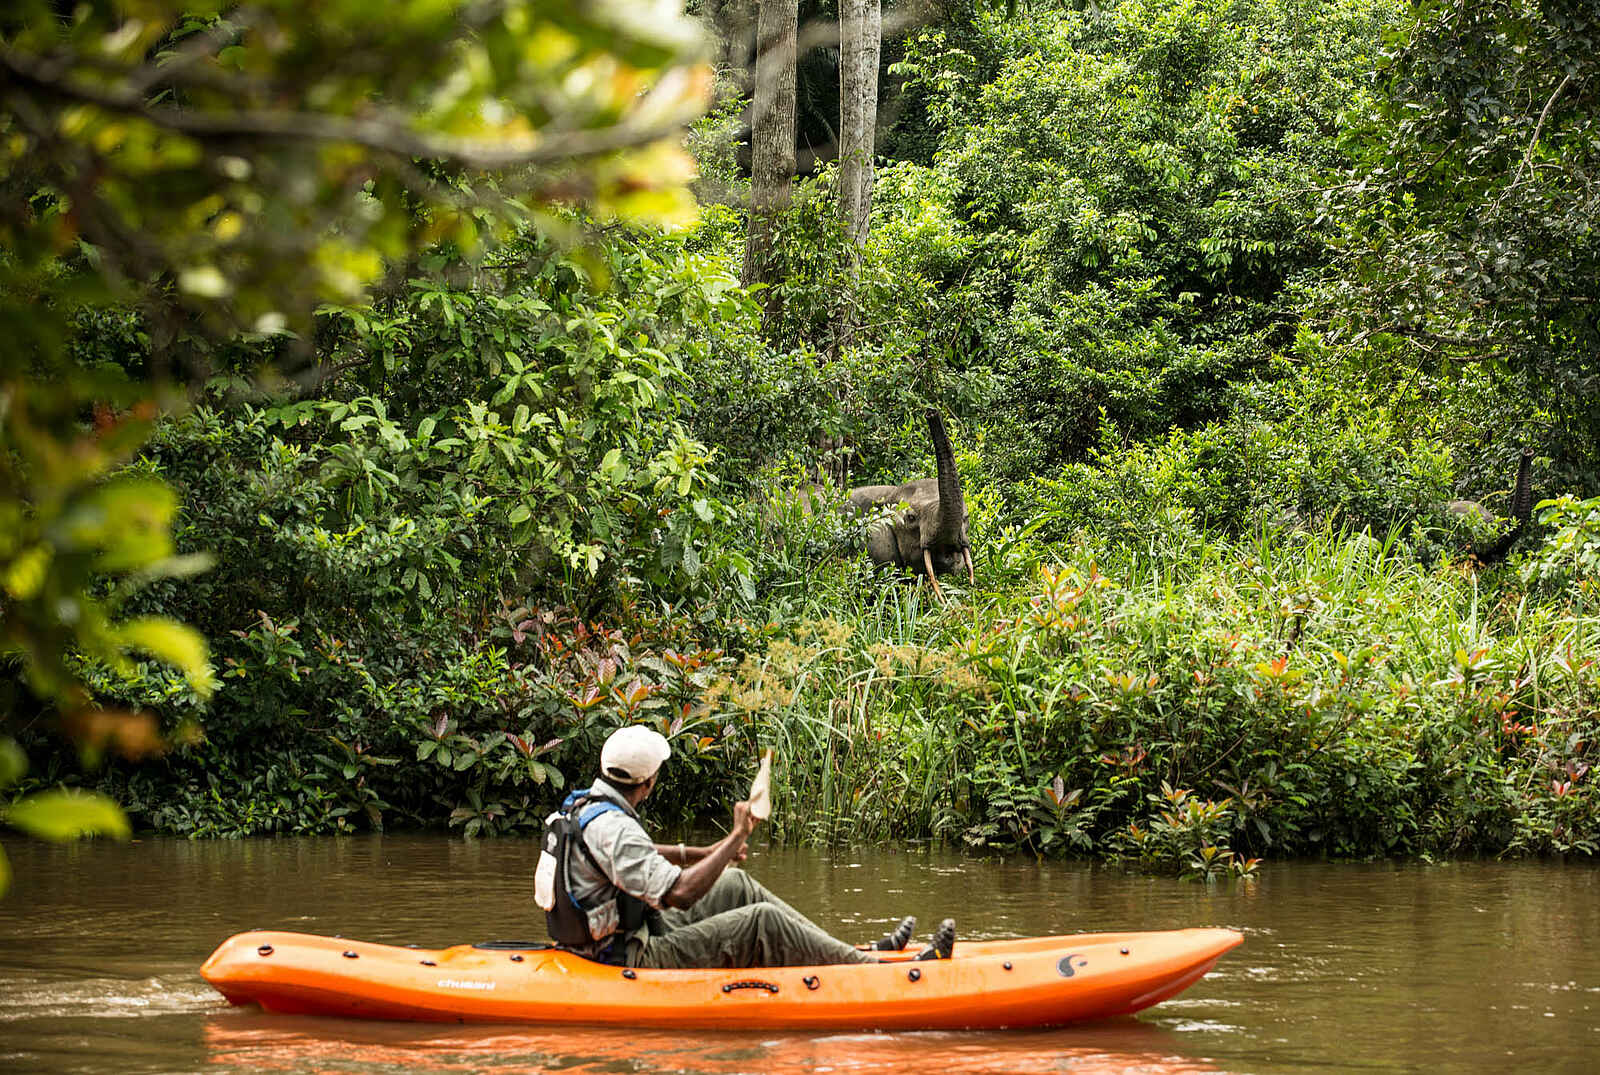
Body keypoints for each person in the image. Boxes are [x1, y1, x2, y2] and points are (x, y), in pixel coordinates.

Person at [544, 724, 956, 969]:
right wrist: (738, 836)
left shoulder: (589, 808)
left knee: (736, 883)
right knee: (761, 921)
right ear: (647, 783)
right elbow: (681, 894)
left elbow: (639, 856)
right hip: (625, 955)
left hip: (626, 932)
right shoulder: (615, 828)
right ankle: (878, 970)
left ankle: (848, 952)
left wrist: (712, 853)